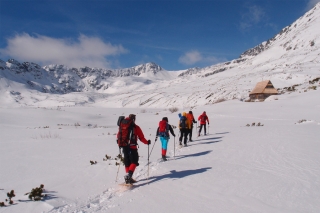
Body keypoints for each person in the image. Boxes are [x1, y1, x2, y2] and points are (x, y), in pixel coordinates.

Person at [117, 114, 151, 184]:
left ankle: (128, 177)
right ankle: (129, 176)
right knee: (134, 161)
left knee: (127, 162)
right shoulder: (136, 127)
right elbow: (141, 137)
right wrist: (147, 142)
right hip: (132, 147)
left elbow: (118, 135)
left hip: (124, 145)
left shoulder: (122, 125)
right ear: (134, 119)